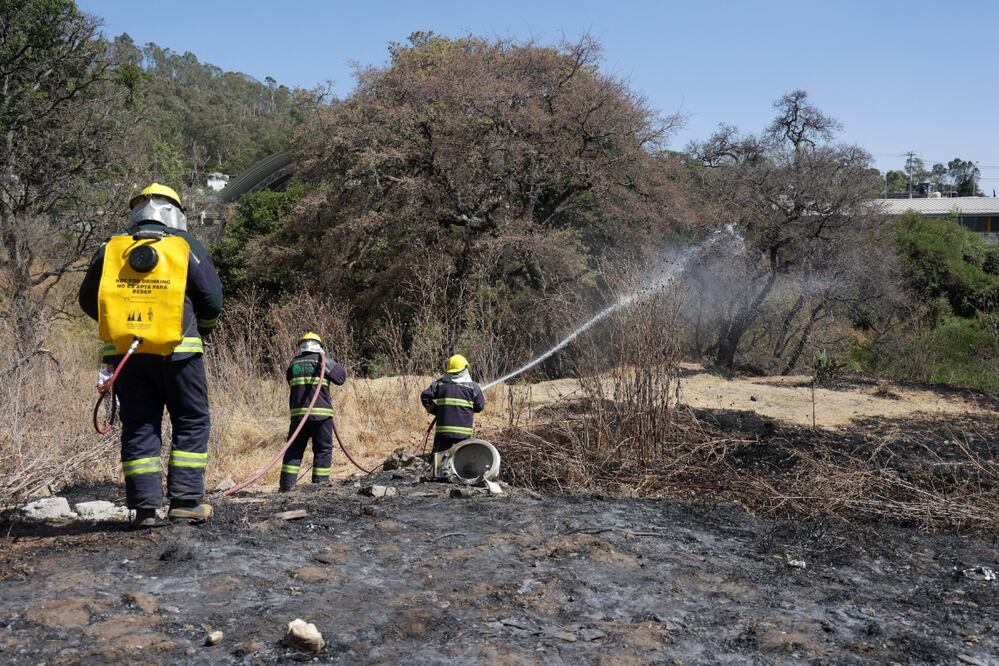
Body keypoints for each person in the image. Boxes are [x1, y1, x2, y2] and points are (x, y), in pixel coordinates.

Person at [79, 183, 223, 527]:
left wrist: (121, 324)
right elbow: (212, 298)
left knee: (140, 424)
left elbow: (88, 300)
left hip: (129, 357)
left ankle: (145, 510)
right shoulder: (185, 245)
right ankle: (186, 502)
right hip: (180, 354)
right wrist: (201, 329)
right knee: (190, 420)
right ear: (176, 212)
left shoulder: (111, 248)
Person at [280, 332, 347, 491]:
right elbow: (341, 378)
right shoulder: (323, 362)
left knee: (294, 450)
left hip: (298, 416)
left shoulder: (293, 365)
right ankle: (320, 483)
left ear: (301, 345)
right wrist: (329, 360)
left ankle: (287, 486)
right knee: (323, 449)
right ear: (319, 346)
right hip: (321, 416)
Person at [420, 354, 486, 453]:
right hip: (463, 434)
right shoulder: (473, 387)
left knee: (438, 460)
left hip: (443, 433)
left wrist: (436, 410)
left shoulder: (440, 384)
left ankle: (438, 468)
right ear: (465, 369)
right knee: (461, 460)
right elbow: (479, 407)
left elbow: (425, 396)